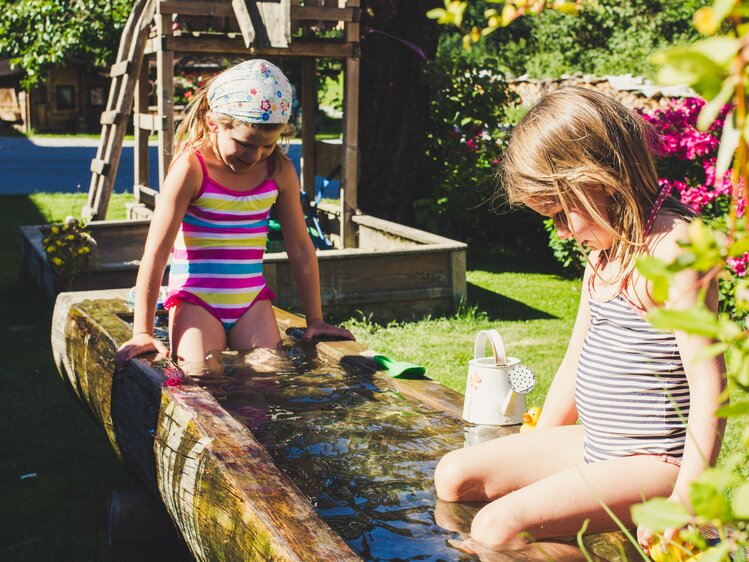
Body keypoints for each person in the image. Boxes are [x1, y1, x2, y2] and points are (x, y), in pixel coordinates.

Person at [433, 86, 726, 557]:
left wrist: (688, 497)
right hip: (595, 443)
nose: (563, 232)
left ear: (602, 180)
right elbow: (573, 361)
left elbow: (711, 387)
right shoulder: (602, 255)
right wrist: (536, 449)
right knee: (453, 475)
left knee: (497, 531)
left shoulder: (675, 251)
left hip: (653, 462)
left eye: (560, 214)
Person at [115, 59, 353, 369]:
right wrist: (143, 331)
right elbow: (157, 253)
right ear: (213, 121)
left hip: (250, 300)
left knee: (269, 376)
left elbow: (300, 247)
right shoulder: (191, 169)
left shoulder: (279, 171)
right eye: (244, 144)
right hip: (196, 300)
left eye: (267, 146)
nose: (255, 157)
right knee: (200, 376)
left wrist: (316, 319)